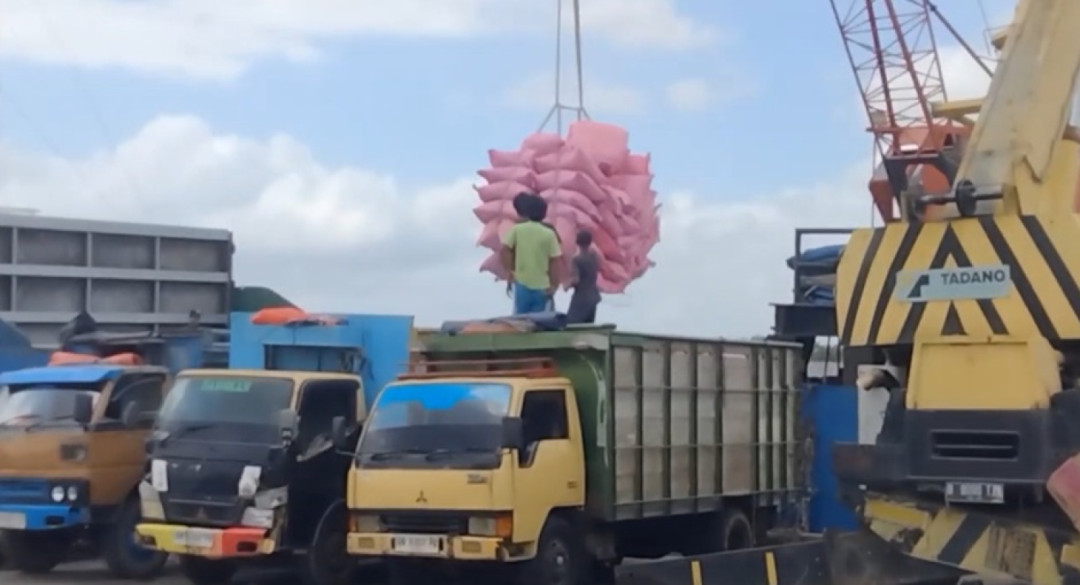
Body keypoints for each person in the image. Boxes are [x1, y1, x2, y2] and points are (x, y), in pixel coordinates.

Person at [501, 193, 562, 314]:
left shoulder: (517, 229)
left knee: (521, 320)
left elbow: (505, 250)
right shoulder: (549, 233)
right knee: (539, 321)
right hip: (542, 286)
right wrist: (554, 285)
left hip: (522, 282)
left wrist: (509, 272)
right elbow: (555, 262)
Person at [566, 229, 601, 324]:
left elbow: (576, 280)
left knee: (572, 324)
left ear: (577, 242)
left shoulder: (577, 259)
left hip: (581, 298)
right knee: (589, 326)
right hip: (593, 295)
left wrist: (567, 285)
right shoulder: (593, 256)